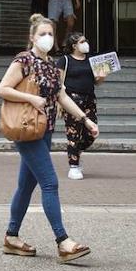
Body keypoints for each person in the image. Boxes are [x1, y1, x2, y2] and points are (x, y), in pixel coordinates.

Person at [0, 14, 97, 264]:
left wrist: (85, 120)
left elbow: (62, 96)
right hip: (27, 128)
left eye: (51, 34)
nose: (47, 38)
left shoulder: (52, 64)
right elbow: (2, 89)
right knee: (50, 183)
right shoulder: (24, 61)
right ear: (32, 37)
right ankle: (63, 242)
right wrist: (31, 99)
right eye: (42, 34)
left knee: (26, 186)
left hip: (46, 130)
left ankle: (11, 237)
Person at [58, 31, 105, 180]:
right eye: (82, 42)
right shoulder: (64, 60)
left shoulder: (92, 60)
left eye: (86, 40)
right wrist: (59, 102)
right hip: (71, 100)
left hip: (89, 99)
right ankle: (74, 166)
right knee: (73, 133)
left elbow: (97, 82)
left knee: (92, 131)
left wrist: (101, 77)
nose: (86, 44)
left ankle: (76, 153)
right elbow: (59, 83)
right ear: (74, 46)